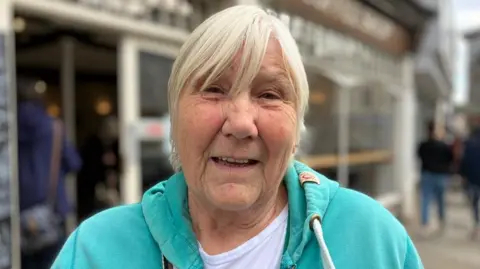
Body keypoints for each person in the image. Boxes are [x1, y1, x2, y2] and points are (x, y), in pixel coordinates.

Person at [53, 6, 422, 269]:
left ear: (297, 128)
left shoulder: (374, 241)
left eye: (269, 95)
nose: (241, 123)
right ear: (175, 117)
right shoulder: (96, 251)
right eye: (213, 89)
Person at [17, 77, 81, 269]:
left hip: (18, 213)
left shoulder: (9, 127)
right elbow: (74, 163)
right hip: (51, 211)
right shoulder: (53, 127)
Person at [417, 121, 453, 236]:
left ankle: (425, 223)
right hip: (440, 175)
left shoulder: (423, 145)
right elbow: (450, 159)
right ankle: (441, 220)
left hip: (427, 174)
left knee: (426, 199)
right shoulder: (443, 146)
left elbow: (419, 156)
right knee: (440, 200)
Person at [460, 118, 480, 239]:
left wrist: (463, 175)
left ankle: (476, 224)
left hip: (473, 178)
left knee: (474, 202)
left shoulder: (469, 144)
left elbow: (465, 161)